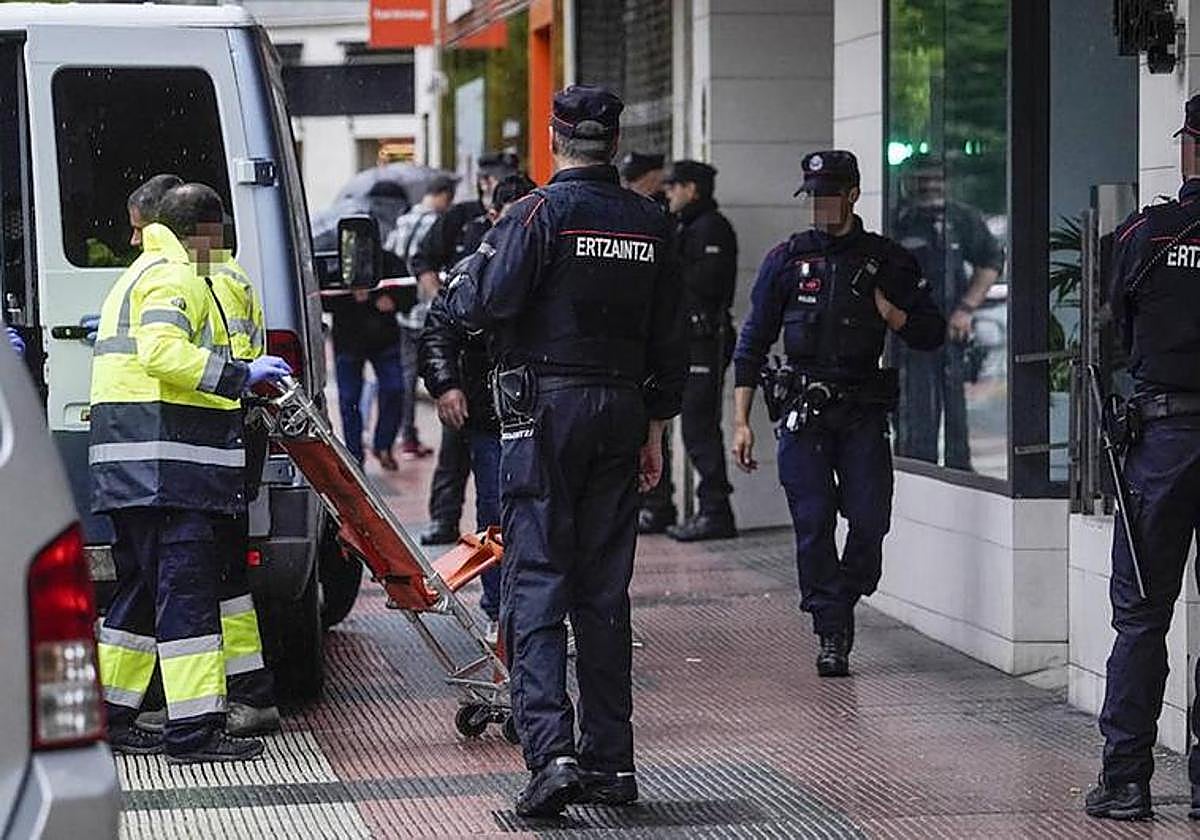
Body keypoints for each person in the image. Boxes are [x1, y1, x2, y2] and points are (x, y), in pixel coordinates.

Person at [447, 85, 686, 817]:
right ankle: (614, 765)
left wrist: (463, 283)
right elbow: (672, 337)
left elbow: (480, 305)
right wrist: (654, 429)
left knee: (538, 584)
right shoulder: (651, 222)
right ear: (613, 144)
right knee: (603, 595)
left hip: (544, 416)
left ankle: (551, 756)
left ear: (556, 139)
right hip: (620, 411)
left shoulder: (537, 215)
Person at [90, 182, 292, 763]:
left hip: (136, 466)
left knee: (139, 594)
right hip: (170, 468)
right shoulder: (176, 276)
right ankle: (194, 734)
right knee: (187, 601)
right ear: (208, 232)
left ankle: (110, 717)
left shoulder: (142, 272)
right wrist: (240, 375)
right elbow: (160, 354)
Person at [732, 150, 944, 678]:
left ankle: (845, 593)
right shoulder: (788, 259)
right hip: (803, 411)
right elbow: (752, 342)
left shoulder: (886, 260)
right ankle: (831, 627)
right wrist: (741, 421)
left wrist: (891, 313)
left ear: (852, 193)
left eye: (830, 194)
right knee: (813, 520)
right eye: (813, 196)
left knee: (870, 519)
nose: (821, 205)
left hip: (861, 410)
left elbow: (931, 332)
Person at [1085, 94, 1200, 822]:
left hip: (1164, 441)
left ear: (1190, 146)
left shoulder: (1146, 233)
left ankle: (1127, 779)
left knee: (1141, 617)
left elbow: (1115, 335)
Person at [419, 173, 538, 642]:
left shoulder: (550, 267)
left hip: (543, 413)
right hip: (490, 415)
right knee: (496, 513)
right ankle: (499, 608)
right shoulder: (473, 269)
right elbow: (438, 332)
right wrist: (447, 386)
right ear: (492, 217)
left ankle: (539, 609)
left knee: (547, 515)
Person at [413, 154, 521, 546]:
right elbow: (438, 328)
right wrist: (446, 384)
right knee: (462, 464)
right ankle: (445, 519)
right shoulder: (466, 242)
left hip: (531, 403)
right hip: (474, 387)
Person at [889, 153, 1004, 470]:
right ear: (908, 183)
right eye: (921, 179)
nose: (929, 186)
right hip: (908, 335)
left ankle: (959, 472)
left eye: (936, 179)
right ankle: (917, 477)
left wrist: (966, 308)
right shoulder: (897, 219)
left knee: (956, 415)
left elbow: (992, 260)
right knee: (914, 419)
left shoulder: (961, 218)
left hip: (950, 330)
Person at [659, 160, 739, 541]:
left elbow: (705, 283)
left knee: (700, 427)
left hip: (705, 341)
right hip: (685, 341)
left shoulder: (711, 227)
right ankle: (703, 509)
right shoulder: (685, 226)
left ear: (693, 189)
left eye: (674, 186)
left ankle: (716, 511)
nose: (668, 193)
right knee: (690, 427)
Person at [387, 174, 459, 461]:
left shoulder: (403, 221)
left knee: (406, 374)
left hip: (405, 313)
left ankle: (406, 433)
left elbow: (390, 257)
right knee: (438, 373)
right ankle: (417, 435)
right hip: (430, 313)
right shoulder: (435, 224)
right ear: (442, 195)